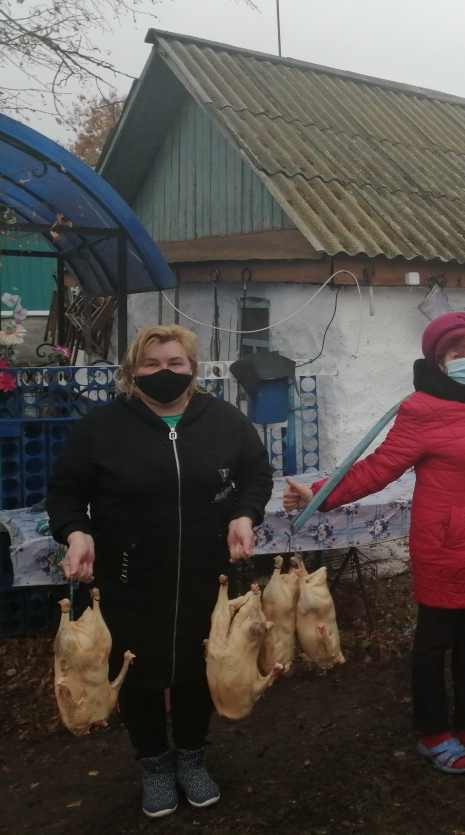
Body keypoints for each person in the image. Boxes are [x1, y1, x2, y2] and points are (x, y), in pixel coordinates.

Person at [284, 312, 465, 774]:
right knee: (435, 641)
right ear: (438, 360)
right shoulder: (422, 409)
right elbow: (379, 466)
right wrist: (322, 492)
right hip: (450, 545)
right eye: (458, 353)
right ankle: (434, 733)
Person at [47, 325, 272, 818]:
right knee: (135, 669)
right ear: (132, 371)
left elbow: (256, 473)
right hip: (127, 575)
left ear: (191, 368)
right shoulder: (102, 427)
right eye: (151, 364)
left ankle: (191, 757)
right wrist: (76, 532)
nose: (164, 372)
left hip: (204, 570)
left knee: (198, 664)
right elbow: (64, 492)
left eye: (174, 363)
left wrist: (243, 514)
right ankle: (153, 763)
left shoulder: (223, 421)